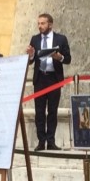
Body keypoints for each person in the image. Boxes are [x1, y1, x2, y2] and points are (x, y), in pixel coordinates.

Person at [25, 13, 72, 151]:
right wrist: (31, 54)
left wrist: (59, 57)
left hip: (54, 78)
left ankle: (51, 141)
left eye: (43, 23)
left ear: (50, 24)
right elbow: (31, 61)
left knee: (52, 111)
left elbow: (68, 59)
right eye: (39, 23)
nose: (40, 26)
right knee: (39, 112)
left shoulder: (60, 39)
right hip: (40, 78)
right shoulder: (35, 39)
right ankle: (41, 141)